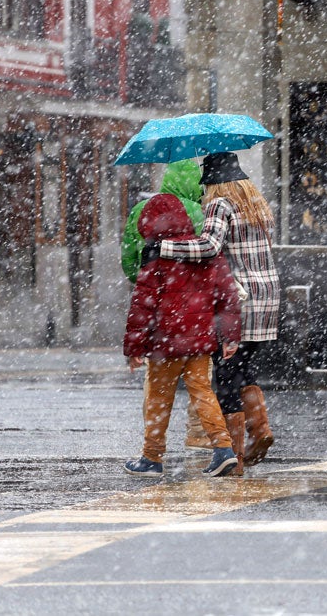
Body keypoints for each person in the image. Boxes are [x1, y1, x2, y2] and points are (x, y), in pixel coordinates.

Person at [155, 152, 280, 472]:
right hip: (267, 297)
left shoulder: (220, 204)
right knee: (241, 368)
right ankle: (260, 430)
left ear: (212, 183)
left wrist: (164, 248)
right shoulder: (256, 203)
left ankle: (233, 457)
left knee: (225, 375)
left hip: (237, 301)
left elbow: (209, 246)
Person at [122, 193, 241, 478]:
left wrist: (134, 347)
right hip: (200, 340)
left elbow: (143, 305)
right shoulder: (205, 251)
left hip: (166, 343)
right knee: (202, 392)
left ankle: (151, 457)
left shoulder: (155, 255)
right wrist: (230, 335)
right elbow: (227, 295)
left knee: (159, 399)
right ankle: (224, 449)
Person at [120, 159, 213, 451]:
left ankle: (153, 443)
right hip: (196, 303)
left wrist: (144, 278)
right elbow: (209, 255)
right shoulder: (201, 212)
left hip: (157, 301)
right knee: (200, 377)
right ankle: (198, 435)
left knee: (157, 377)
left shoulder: (143, 209)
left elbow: (128, 256)